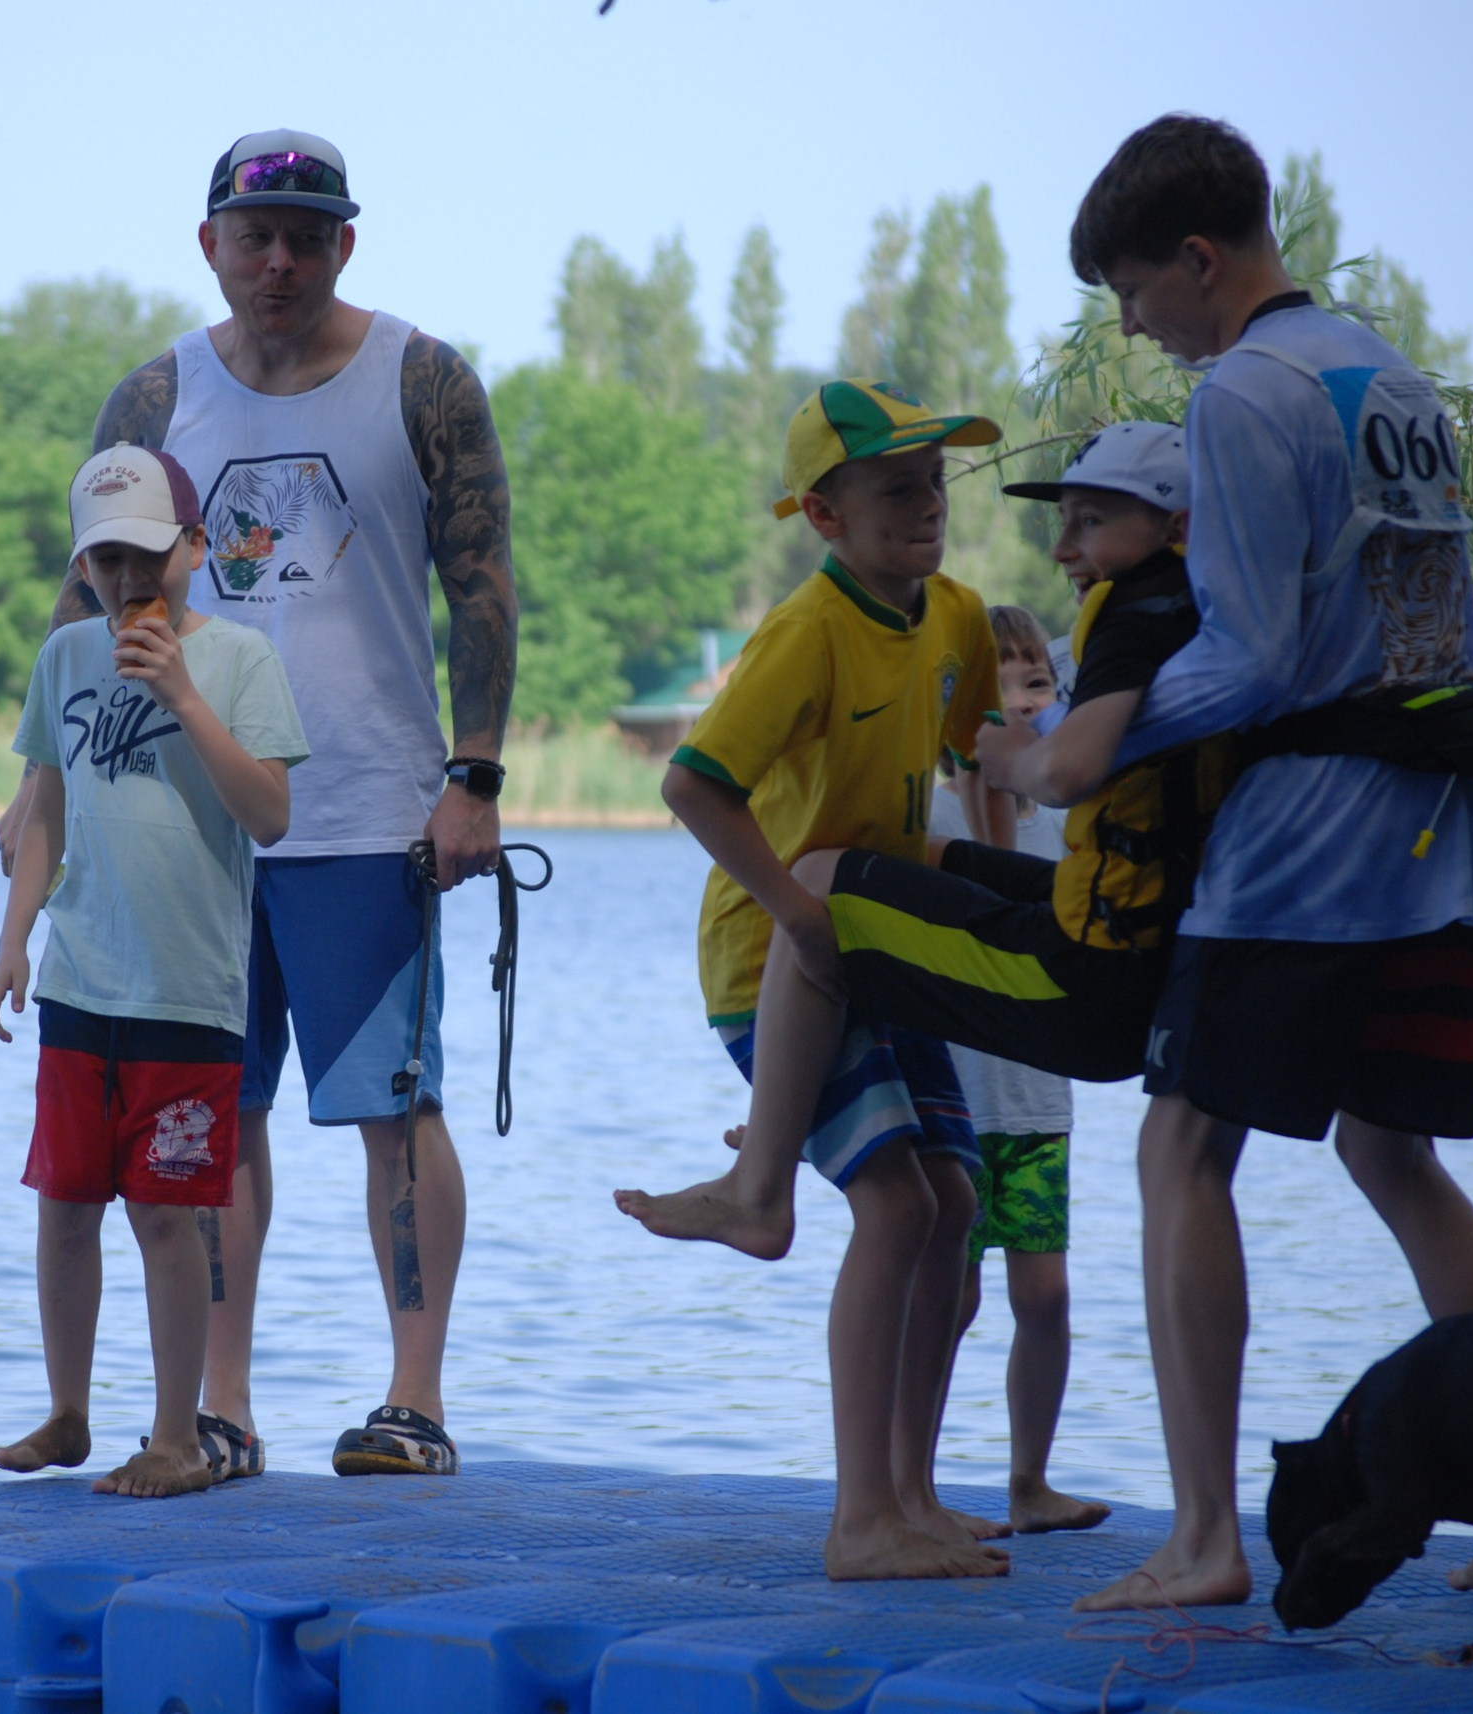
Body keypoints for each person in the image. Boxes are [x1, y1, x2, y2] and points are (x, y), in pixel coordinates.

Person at [982, 114, 1473, 1612]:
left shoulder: (1243, 394)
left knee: (1181, 1143)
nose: (1141, 331)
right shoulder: (1387, 375)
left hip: (1316, 833)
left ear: (1200, 258)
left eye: (1138, 295)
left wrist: (1083, 744)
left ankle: (1208, 1535)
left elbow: (1258, 658)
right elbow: (1414, 622)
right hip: (1446, 817)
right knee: (1387, 1147)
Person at [0, 130, 517, 1479]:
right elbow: (82, 592)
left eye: (305, 233)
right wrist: (31, 789)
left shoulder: (424, 377)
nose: (277, 259)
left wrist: (476, 778)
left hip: (371, 813)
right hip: (188, 825)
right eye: (253, 233)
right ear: (210, 242)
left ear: (346, 241)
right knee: (215, 1113)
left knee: (394, 1106)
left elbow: (484, 587)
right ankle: (219, 1405)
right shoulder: (161, 390)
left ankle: (415, 1397)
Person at [616, 379, 1012, 1580]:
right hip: (775, 956)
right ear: (825, 516)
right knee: (895, 1207)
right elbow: (691, 785)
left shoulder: (956, 617)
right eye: (894, 488)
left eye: (934, 484)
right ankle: (858, 1521)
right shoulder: (804, 630)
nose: (925, 507)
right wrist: (791, 906)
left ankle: (912, 1495)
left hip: (885, 947)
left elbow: (972, 754)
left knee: (955, 1203)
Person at [0, 446, 308, 1497]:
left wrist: (181, 695)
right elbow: (45, 811)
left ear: (195, 550)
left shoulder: (241, 661)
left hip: (188, 992)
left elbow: (268, 811)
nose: (128, 581)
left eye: (147, 556)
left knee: (168, 1214)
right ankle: (68, 1413)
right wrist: (10, 939)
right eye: (105, 560)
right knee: (64, 1202)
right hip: (82, 980)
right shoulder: (66, 658)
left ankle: (177, 1434)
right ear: (84, 567)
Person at [927, 605, 1112, 1538]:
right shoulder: (929, 807)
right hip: (950, 1107)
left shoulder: (1072, 817)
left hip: (1038, 1106)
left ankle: (1028, 1482)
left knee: (1044, 1296)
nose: (1022, 696)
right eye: (1000, 681)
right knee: (946, 1299)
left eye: (1036, 680)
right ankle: (906, 1485)